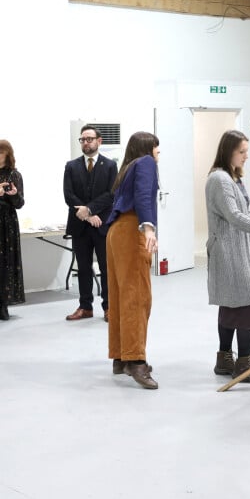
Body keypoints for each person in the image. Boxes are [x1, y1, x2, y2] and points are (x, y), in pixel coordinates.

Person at [206, 129, 250, 384]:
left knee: (232, 303)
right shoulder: (221, 180)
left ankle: (224, 359)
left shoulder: (230, 177)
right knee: (247, 301)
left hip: (234, 248)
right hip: (229, 250)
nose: (246, 156)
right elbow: (235, 217)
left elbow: (244, 210)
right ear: (228, 152)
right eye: (242, 152)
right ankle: (244, 364)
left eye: (247, 151)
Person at [106, 131, 160, 390]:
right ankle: (136, 361)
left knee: (119, 295)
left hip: (116, 232)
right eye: (157, 149)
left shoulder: (127, 167)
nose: (159, 154)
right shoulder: (146, 162)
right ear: (148, 148)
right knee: (137, 296)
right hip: (131, 231)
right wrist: (148, 227)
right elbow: (142, 195)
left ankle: (120, 356)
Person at [63, 125, 117, 322]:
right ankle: (85, 307)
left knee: (106, 268)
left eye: (89, 139)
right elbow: (69, 196)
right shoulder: (71, 166)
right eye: (82, 139)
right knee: (83, 267)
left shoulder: (110, 166)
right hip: (80, 226)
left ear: (99, 141)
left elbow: (111, 194)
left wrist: (91, 210)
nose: (85, 143)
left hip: (102, 225)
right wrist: (87, 215)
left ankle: (109, 306)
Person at [0, 140, 25, 320]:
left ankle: (3, 304)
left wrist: (14, 194)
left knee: (5, 264)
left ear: (7, 155)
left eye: (1, 153)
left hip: (6, 223)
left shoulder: (14, 175)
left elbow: (20, 204)